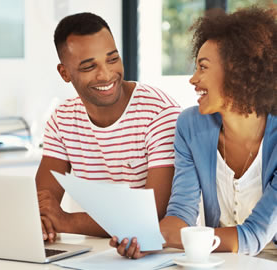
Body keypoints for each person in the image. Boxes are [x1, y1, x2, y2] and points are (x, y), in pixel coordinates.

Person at [111, 6, 277, 258]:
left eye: (203, 67)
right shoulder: (190, 125)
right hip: (219, 259)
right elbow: (180, 212)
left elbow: (254, 235)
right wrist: (145, 237)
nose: (193, 79)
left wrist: (169, 239)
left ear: (238, 71)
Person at [35, 12, 181, 243]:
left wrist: (66, 221)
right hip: (95, 252)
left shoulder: (159, 114)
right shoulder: (62, 119)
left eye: (112, 59)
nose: (106, 75)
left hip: (153, 254)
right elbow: (42, 203)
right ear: (65, 73)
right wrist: (45, 221)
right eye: (88, 67)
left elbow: (152, 216)